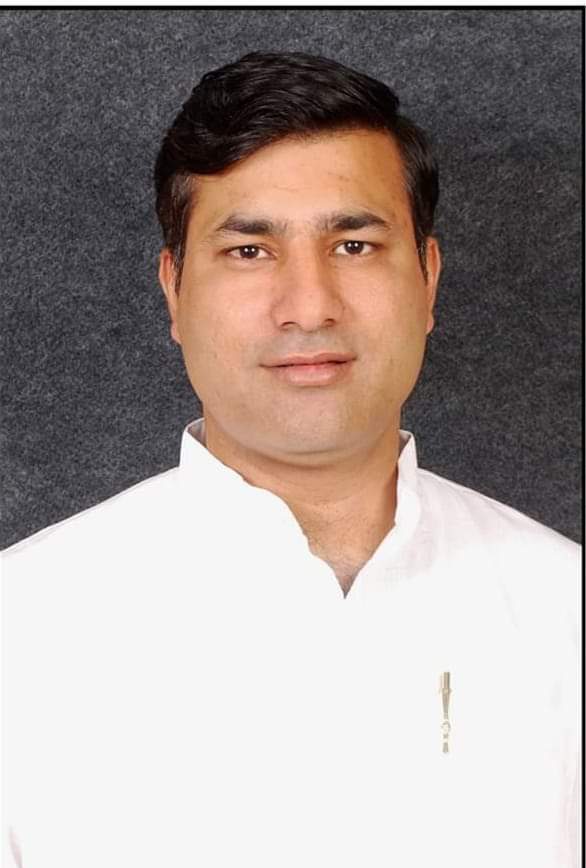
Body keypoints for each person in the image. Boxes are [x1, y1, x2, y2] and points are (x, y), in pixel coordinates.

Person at [2, 51, 579, 868]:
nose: (308, 306)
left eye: (354, 244)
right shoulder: (22, 631)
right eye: (249, 251)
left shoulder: (565, 613)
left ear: (428, 279)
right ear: (173, 289)